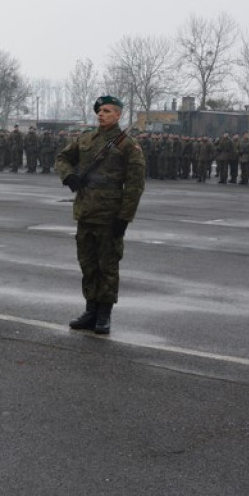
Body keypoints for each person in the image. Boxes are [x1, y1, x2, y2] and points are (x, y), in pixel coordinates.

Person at [55, 95, 145, 335]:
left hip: (109, 215)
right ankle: (90, 310)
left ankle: (104, 314)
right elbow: (62, 158)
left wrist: (124, 218)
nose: (100, 114)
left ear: (117, 115)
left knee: (108, 266)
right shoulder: (85, 139)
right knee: (88, 264)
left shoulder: (127, 145)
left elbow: (135, 185)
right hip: (85, 212)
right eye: (99, 111)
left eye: (106, 111)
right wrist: (69, 176)